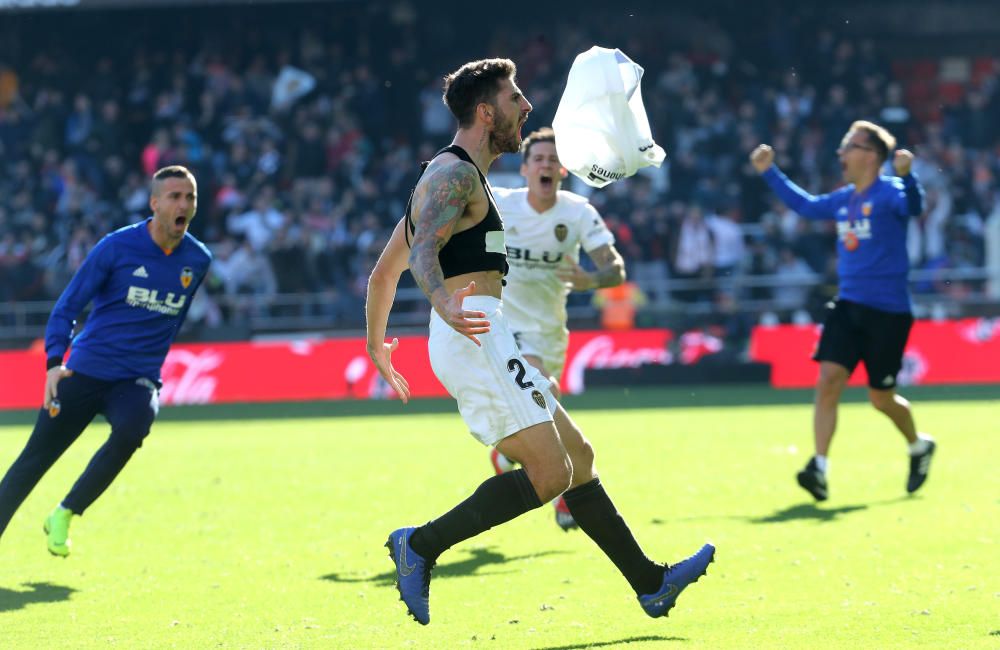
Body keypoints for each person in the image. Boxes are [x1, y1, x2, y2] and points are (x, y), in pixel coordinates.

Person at [365, 58, 714, 626]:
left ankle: (650, 583)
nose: (526, 107)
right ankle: (420, 545)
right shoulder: (452, 175)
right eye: (514, 98)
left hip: (482, 328)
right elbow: (422, 253)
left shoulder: (460, 177)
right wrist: (445, 304)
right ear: (485, 111)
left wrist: (377, 344)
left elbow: (384, 273)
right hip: (474, 331)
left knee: (577, 459)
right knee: (550, 476)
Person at [0, 165, 212, 556]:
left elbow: (173, 319)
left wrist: (150, 363)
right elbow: (68, 306)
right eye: (175, 196)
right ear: (154, 203)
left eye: (190, 197)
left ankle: (65, 512)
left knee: (135, 426)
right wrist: (52, 363)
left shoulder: (197, 260)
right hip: (86, 371)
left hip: (135, 379)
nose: (183, 204)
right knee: (33, 460)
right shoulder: (116, 248)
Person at [750, 120, 935, 502]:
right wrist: (770, 172)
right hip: (848, 306)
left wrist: (909, 175)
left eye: (849, 145)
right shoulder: (844, 199)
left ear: (872, 155)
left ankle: (918, 445)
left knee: (881, 398)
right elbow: (805, 205)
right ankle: (819, 466)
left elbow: (914, 206)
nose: (841, 153)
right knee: (828, 379)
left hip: (889, 312)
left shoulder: (892, 192)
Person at [488, 126, 627, 532]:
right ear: (526, 169)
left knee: (547, 403)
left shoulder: (579, 212)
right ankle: (569, 493)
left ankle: (508, 456)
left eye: (553, 160)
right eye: (538, 160)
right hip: (504, 325)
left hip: (550, 331)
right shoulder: (501, 203)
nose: (546, 165)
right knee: (543, 389)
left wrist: (590, 280)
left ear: (562, 170)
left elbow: (615, 269)